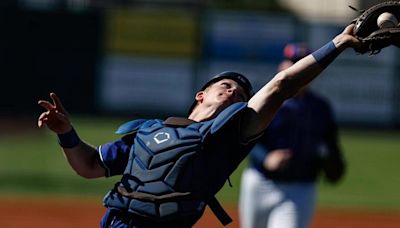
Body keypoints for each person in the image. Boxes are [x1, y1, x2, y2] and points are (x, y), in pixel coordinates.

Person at [37, 24, 359, 228]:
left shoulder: (231, 137)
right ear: (202, 94)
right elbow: (90, 165)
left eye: (242, 94)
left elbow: (281, 85)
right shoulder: (147, 131)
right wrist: (67, 133)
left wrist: (340, 42)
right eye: (227, 85)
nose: (234, 91)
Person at [239, 43, 346, 228]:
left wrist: (333, 163)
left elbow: (331, 145)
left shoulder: (320, 107)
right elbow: (245, 138)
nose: (297, 68)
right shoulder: (264, 100)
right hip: (261, 183)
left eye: (302, 63)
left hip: (300, 188)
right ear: (282, 66)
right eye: (292, 62)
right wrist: (265, 158)